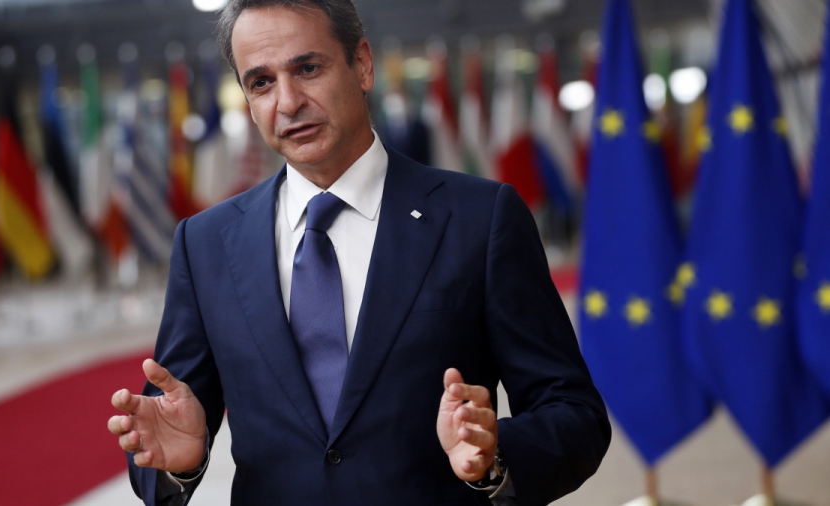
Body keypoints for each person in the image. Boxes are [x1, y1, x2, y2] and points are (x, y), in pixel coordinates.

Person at [108, 1, 611, 504]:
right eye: (261, 82)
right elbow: (166, 430)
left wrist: (494, 455)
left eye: (308, 68)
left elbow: (573, 413)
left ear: (363, 65)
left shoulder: (480, 218)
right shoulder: (206, 243)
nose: (288, 102)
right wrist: (179, 465)